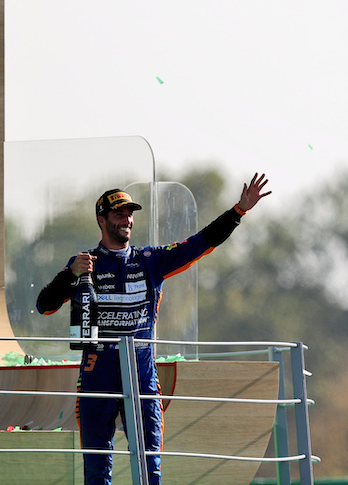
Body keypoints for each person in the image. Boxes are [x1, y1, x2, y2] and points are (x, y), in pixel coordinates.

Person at [36, 175, 271, 485]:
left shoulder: (151, 260)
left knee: (150, 468)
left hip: (142, 376)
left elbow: (199, 242)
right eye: (119, 213)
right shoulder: (84, 263)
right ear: (101, 219)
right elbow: (45, 305)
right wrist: (70, 273)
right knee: (96, 471)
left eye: (130, 213)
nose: (127, 220)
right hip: (97, 376)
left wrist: (238, 210)